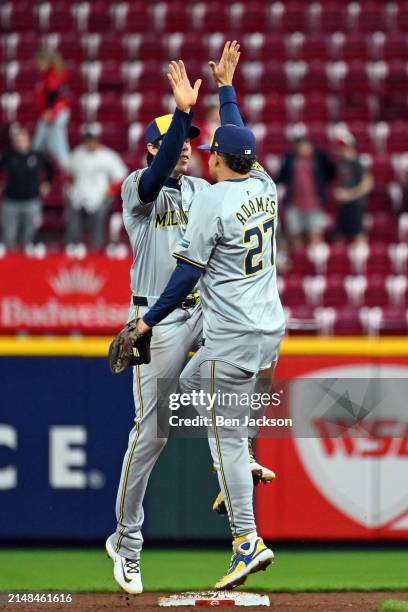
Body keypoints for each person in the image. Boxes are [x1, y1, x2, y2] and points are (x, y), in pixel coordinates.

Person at [105, 43, 275, 595]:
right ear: (156, 147)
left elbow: (236, 168)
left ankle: (238, 457)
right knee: (150, 437)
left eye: (193, 145)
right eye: (177, 144)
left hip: (201, 314)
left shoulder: (208, 188)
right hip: (157, 320)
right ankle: (127, 542)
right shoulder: (139, 190)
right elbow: (157, 173)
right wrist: (182, 114)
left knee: (228, 369)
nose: (187, 151)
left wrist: (224, 97)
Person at [64, 125, 128, 250]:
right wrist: (71, 188)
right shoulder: (78, 154)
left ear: (97, 139)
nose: (89, 142)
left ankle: (95, 253)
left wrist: (110, 191)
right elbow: (69, 174)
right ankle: (72, 252)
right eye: (87, 139)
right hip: (79, 197)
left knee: (97, 230)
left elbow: (121, 176)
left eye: (92, 139)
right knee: (74, 229)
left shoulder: (108, 156)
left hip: (99, 197)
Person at [276, 136, 336, 248]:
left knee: (315, 233)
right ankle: (298, 260)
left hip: (315, 203)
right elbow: (282, 177)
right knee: (294, 234)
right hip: (294, 203)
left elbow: (332, 172)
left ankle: (316, 262)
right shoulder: (289, 160)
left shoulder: (320, 159)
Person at [0, 124, 54, 249]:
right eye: (17, 140)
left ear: (29, 140)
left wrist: (47, 183)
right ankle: (9, 265)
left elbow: (51, 169)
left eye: (22, 140)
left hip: (32, 201)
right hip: (11, 201)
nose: (20, 143)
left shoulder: (37, 155)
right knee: (8, 235)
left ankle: (27, 264)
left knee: (29, 237)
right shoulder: (8, 155)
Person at [333, 131, 374, 243]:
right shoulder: (341, 162)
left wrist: (349, 195)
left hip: (356, 204)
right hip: (343, 205)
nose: (340, 149)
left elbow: (368, 184)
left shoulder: (358, 162)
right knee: (339, 235)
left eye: (343, 146)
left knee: (357, 234)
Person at [32, 49, 70, 166]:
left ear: (46, 61)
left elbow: (56, 94)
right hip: (53, 111)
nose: (37, 65)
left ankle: (64, 167)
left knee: (57, 143)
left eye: (39, 62)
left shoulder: (54, 75)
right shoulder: (49, 74)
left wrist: (51, 112)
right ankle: (36, 161)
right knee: (42, 141)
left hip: (55, 112)